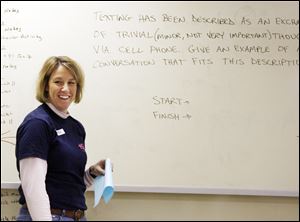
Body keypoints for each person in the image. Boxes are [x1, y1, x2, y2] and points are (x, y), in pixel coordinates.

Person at [15, 56, 107, 221]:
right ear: (45, 85)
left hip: (75, 216)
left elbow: (69, 186)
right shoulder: (38, 123)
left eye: (71, 83)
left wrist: (92, 174)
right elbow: (33, 187)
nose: (65, 89)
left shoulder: (76, 127)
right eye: (58, 82)